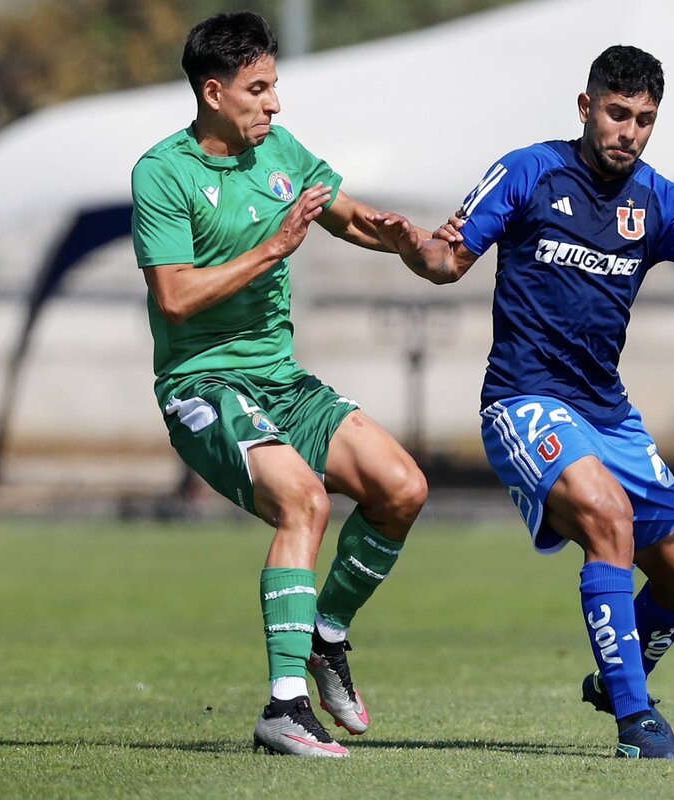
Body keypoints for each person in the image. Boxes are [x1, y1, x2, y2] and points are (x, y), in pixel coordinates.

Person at [370, 45, 674, 759]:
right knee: (608, 519)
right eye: (617, 113)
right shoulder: (527, 173)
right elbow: (447, 262)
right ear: (586, 108)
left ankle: (618, 677)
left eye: (644, 119)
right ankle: (637, 723)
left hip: (607, 412)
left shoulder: (660, 198)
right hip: (524, 401)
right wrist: (412, 248)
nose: (629, 131)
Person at [130, 11, 433, 759]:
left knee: (402, 488)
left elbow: (344, 215)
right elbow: (174, 297)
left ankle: (326, 636)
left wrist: (399, 239)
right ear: (213, 92)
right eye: (258, 89)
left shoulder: (281, 149)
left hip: (282, 383)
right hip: (204, 384)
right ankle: (285, 708)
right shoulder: (162, 173)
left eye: (275, 87)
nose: (274, 105)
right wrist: (272, 250)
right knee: (303, 500)